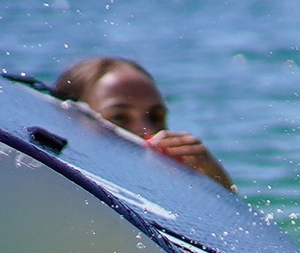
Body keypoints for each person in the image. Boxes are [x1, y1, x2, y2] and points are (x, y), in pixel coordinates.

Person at [51, 56, 237, 191]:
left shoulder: (175, 188)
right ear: (71, 121)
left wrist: (218, 185)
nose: (148, 130)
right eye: (119, 118)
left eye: (156, 117)